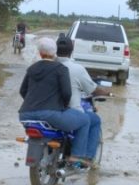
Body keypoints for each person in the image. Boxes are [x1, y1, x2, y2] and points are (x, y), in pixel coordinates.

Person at [18, 37, 93, 167]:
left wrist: (33, 104)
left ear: (40, 53)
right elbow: (66, 93)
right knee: (85, 120)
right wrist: (62, 107)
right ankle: (76, 157)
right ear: (55, 52)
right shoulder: (60, 69)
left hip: (25, 115)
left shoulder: (32, 68)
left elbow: (23, 91)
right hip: (50, 114)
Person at [56, 34, 112, 164]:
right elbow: (92, 89)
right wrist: (107, 93)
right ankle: (85, 158)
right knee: (94, 120)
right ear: (72, 49)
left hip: (47, 109)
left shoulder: (46, 66)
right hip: (69, 112)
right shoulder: (77, 68)